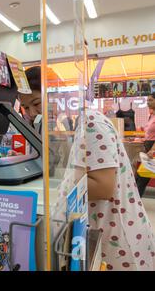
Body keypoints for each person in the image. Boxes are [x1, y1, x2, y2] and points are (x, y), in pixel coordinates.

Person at [20, 66, 155, 271]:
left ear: (57, 94)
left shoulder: (91, 122)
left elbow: (103, 186)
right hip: (103, 233)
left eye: (36, 103)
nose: (32, 113)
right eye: (26, 108)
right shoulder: (79, 124)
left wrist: (57, 192)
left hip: (117, 239)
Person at [136, 92, 155, 197]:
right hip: (147, 146)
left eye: (151, 100)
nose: (148, 102)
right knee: (140, 176)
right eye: (147, 100)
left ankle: (135, 203)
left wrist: (152, 150)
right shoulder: (151, 114)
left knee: (142, 178)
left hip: (152, 149)